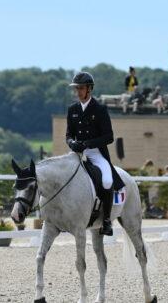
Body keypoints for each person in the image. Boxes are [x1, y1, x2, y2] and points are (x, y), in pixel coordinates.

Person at [66, 71, 125, 236]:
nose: (78, 92)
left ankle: (106, 220)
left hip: (96, 153)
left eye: (81, 88)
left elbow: (109, 136)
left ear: (89, 89)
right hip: (77, 153)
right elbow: (69, 134)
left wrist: (88, 144)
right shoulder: (72, 109)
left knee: (106, 181)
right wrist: (71, 143)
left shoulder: (99, 109)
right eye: (76, 88)